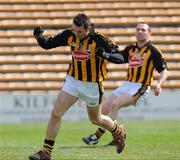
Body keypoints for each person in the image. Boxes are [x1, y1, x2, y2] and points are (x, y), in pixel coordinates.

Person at [29, 13, 126, 160]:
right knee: (56, 114)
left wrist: (106, 55)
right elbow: (48, 44)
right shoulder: (70, 34)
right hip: (73, 81)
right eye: (74, 30)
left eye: (79, 31)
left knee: (96, 119)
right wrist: (39, 37)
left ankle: (118, 131)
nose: (76, 33)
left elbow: (121, 57)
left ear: (89, 28)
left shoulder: (100, 40)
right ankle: (46, 152)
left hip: (92, 85)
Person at [82, 22, 168, 147]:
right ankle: (119, 133)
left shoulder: (153, 51)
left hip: (141, 86)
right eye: (138, 29)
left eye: (143, 30)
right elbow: (119, 58)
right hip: (127, 84)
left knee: (116, 105)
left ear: (149, 33)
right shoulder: (130, 49)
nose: (140, 32)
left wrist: (159, 84)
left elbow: (164, 70)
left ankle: (96, 136)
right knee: (104, 109)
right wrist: (105, 55)